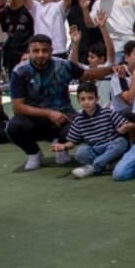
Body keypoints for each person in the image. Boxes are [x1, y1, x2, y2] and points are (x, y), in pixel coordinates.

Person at [7, 34, 112, 171]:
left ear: (51, 51)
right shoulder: (20, 71)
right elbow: (17, 107)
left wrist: (112, 69)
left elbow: (87, 75)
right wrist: (49, 113)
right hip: (34, 118)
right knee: (14, 127)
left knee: (83, 123)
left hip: (64, 114)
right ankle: (34, 153)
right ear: (29, 51)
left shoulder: (63, 65)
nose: (40, 55)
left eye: (45, 50)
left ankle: (62, 145)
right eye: (36, 51)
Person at [54, 81, 134, 178]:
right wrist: (63, 146)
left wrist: (126, 127)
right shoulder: (78, 120)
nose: (86, 102)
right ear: (78, 101)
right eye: (83, 99)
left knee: (121, 142)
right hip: (95, 149)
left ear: (97, 99)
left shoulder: (107, 113)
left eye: (90, 98)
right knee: (81, 152)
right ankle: (106, 165)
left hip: (110, 146)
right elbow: (72, 142)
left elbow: (127, 125)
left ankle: (94, 166)